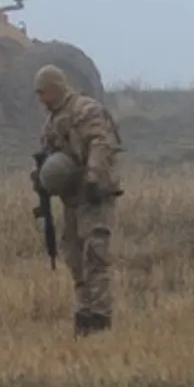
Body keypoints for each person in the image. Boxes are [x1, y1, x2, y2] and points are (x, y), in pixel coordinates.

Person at [34, 64, 124, 337]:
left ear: (55, 88)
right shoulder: (52, 120)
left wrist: (95, 176)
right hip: (72, 197)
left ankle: (100, 316)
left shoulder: (85, 110)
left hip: (94, 194)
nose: (40, 99)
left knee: (95, 254)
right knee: (74, 255)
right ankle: (84, 313)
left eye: (43, 92)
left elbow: (101, 143)